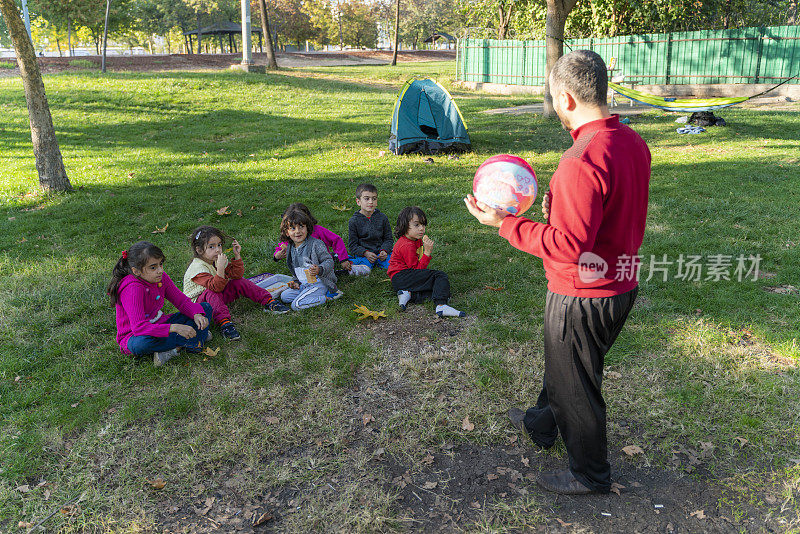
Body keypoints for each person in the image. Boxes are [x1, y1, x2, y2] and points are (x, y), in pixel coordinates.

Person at [465, 50, 651, 495]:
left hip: (582, 295)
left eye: (551, 98)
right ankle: (541, 423)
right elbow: (610, 209)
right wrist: (561, 210)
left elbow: (568, 248)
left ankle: (590, 474)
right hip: (620, 284)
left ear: (566, 98)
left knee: (577, 387)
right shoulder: (632, 141)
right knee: (570, 368)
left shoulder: (579, 160)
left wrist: (504, 224)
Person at [109, 241, 212, 367]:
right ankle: (192, 341)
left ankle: (179, 345)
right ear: (136, 271)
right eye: (153, 267)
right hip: (135, 335)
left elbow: (180, 300)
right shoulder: (132, 288)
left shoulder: (160, 277)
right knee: (142, 344)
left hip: (160, 323)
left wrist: (196, 313)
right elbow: (139, 327)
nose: (160, 270)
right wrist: (174, 328)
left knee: (205, 308)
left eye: (161, 264)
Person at [183, 226, 289, 341]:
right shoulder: (197, 268)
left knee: (239, 281)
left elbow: (236, 276)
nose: (218, 250)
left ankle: (269, 301)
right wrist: (220, 269)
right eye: (211, 247)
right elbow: (215, 287)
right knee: (212, 292)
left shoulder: (216, 260)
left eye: (219, 245)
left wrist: (237, 256)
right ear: (199, 250)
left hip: (217, 295)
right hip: (199, 306)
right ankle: (225, 323)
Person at [387, 206, 465, 317]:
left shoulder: (415, 240)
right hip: (402, 276)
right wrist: (427, 253)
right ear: (404, 225)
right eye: (416, 225)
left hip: (400, 279)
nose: (421, 228)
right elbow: (417, 270)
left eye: (423, 225)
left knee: (438, 289)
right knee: (439, 276)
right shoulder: (406, 245)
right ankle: (441, 305)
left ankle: (408, 294)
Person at [273, 203, 349, 295]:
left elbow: (336, 240)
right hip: (304, 274)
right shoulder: (292, 239)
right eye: (293, 226)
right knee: (285, 296)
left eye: (301, 225)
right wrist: (277, 255)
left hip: (322, 269)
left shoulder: (317, 232)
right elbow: (282, 246)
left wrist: (343, 259)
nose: (298, 231)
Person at [280, 209, 339, 310]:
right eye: (293, 228)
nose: (298, 231)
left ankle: (329, 297)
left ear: (307, 228)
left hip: (319, 282)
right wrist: (296, 283)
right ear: (287, 232)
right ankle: (305, 293)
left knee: (296, 305)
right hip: (304, 284)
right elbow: (297, 270)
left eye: (301, 227)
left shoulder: (316, 244)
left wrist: (320, 269)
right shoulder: (291, 248)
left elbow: (329, 261)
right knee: (284, 296)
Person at [347, 183, 393, 275]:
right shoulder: (354, 221)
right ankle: (353, 266)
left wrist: (384, 250)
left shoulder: (382, 218)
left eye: (374, 199)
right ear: (358, 201)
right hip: (364, 255)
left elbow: (388, 239)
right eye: (367, 198)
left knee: (393, 263)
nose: (371, 202)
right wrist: (365, 253)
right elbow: (352, 245)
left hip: (381, 254)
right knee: (364, 266)